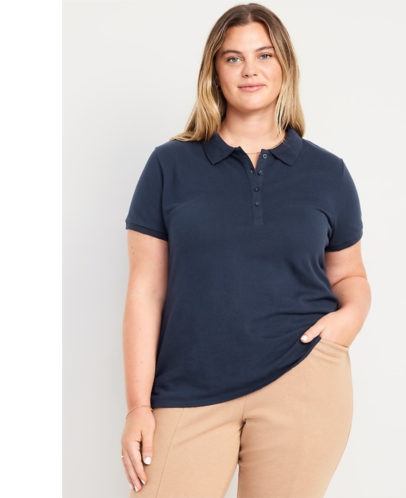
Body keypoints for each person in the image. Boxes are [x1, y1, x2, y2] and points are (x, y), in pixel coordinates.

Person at [120, 3, 371, 497]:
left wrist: (346, 325)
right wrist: (138, 406)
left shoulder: (328, 173)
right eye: (233, 58)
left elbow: (349, 276)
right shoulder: (169, 165)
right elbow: (145, 291)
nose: (250, 70)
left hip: (302, 380)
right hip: (188, 387)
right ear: (214, 71)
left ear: (285, 67)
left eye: (264, 55)